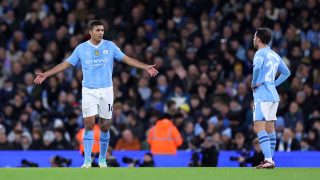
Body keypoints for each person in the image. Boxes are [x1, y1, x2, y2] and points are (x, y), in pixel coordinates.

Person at [34, 20, 158, 168]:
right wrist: (46, 74)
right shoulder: (81, 48)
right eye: (98, 30)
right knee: (89, 124)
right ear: (90, 32)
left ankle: (102, 159)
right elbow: (65, 64)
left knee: (105, 126)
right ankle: (87, 161)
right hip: (88, 91)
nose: (101, 33)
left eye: (102, 30)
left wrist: (145, 67)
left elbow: (126, 59)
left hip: (106, 90)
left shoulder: (110, 46)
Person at [251, 28, 290, 169]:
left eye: (254, 37)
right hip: (274, 96)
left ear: (259, 39)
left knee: (259, 127)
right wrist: (273, 84)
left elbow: (256, 69)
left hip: (262, 95)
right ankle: (270, 160)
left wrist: (254, 83)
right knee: (270, 129)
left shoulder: (259, 53)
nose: (253, 39)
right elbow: (286, 72)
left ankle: (268, 160)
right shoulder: (274, 54)